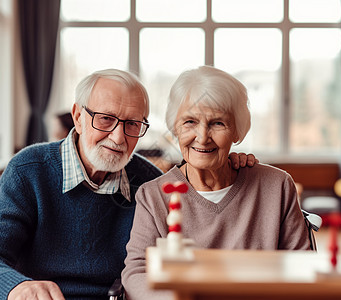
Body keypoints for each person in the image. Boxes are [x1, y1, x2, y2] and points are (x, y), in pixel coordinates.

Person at [0, 69, 256, 300]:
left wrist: (230, 166)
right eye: (105, 119)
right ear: (78, 116)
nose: (118, 137)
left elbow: (195, 242)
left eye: (132, 124)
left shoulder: (148, 182)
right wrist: (17, 286)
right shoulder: (30, 171)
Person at [121, 66, 311, 300]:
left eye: (218, 123)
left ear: (237, 131)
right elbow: (137, 271)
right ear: (175, 129)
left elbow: (303, 266)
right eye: (189, 121)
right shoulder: (153, 196)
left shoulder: (277, 186)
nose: (202, 137)